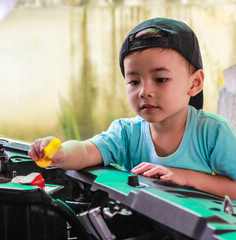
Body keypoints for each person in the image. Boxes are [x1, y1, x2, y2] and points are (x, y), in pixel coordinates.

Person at [28, 18, 236, 199]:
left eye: (161, 79)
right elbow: (86, 150)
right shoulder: (126, 133)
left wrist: (184, 177)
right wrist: (61, 153)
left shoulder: (213, 133)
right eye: (134, 81)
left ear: (194, 83)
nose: (144, 92)